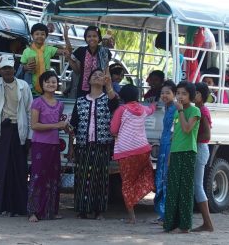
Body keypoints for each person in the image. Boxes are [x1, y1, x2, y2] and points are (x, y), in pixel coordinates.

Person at [0, 54, 33, 216]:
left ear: (15, 69)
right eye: (4, 69)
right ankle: (4, 207)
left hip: (19, 130)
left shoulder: (23, 85)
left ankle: (19, 207)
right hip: (2, 131)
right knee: (2, 169)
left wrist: (30, 135)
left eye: (9, 68)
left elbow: (30, 111)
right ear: (0, 71)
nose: (7, 72)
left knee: (19, 170)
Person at [68, 69, 119, 220]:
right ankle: (82, 209)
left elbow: (115, 105)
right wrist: (71, 146)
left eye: (100, 75)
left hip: (102, 144)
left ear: (105, 81)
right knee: (82, 177)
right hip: (83, 144)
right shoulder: (81, 101)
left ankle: (99, 211)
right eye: (94, 75)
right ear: (88, 81)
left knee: (101, 177)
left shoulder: (109, 97)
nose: (97, 77)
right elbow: (73, 126)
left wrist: (109, 86)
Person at [111, 84, 156, 224]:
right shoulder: (143, 109)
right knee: (146, 175)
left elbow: (113, 130)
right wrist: (154, 105)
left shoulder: (121, 110)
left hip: (125, 152)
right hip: (143, 149)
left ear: (122, 97)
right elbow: (151, 109)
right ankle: (145, 191)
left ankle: (132, 217)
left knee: (127, 183)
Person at [27, 71, 67, 222]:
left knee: (53, 178)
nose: (51, 84)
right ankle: (33, 211)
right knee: (38, 177)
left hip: (54, 145)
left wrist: (65, 127)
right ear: (42, 84)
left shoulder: (60, 104)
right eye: (48, 82)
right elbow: (35, 125)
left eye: (54, 82)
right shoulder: (37, 102)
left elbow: (59, 125)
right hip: (40, 144)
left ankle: (52, 210)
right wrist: (57, 125)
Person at [163, 81, 201, 233]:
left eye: (184, 94)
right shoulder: (174, 111)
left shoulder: (194, 111)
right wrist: (170, 155)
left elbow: (186, 129)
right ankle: (170, 224)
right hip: (176, 152)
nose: (180, 96)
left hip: (188, 152)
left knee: (185, 189)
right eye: (178, 93)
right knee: (172, 189)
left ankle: (185, 225)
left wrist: (180, 111)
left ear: (190, 96)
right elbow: (175, 134)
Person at [20, 23, 68, 94]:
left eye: (42, 34)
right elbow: (21, 68)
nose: (40, 36)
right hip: (29, 88)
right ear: (32, 36)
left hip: (46, 88)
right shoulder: (27, 51)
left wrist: (66, 37)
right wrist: (26, 67)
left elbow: (67, 52)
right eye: (37, 34)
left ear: (46, 36)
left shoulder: (49, 49)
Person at [65, 26, 112, 97]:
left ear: (99, 38)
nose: (92, 38)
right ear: (85, 38)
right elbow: (77, 71)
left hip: (100, 90)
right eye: (89, 36)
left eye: (94, 36)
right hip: (83, 91)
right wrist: (68, 58)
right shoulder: (81, 51)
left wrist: (110, 90)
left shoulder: (105, 52)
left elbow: (106, 71)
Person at [154, 80, 177, 224]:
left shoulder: (174, 109)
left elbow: (175, 132)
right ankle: (163, 214)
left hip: (170, 147)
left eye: (167, 93)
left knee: (166, 180)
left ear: (174, 94)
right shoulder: (167, 108)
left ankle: (167, 215)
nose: (164, 95)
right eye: (162, 93)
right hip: (163, 146)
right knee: (161, 179)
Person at [193, 82, 214, 232]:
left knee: (198, 187)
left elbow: (206, 135)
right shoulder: (200, 109)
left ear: (200, 95)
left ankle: (208, 223)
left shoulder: (201, 111)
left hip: (199, 149)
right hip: (201, 149)